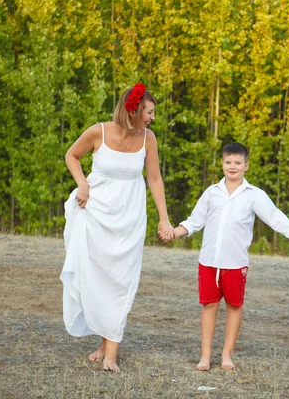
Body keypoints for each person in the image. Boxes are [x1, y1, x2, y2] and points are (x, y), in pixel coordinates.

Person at [60, 83, 174, 372]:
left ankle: (112, 351)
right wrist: (82, 184)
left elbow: (155, 179)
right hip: (96, 212)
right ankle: (104, 342)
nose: (152, 118)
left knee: (121, 279)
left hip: (130, 216)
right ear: (133, 110)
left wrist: (164, 218)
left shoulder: (149, 138)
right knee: (98, 277)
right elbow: (71, 155)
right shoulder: (98, 131)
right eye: (149, 112)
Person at [162, 143, 289, 371]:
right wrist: (174, 232)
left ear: (246, 165)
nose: (232, 166)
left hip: (235, 264)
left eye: (238, 163)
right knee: (209, 305)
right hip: (209, 262)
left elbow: (275, 218)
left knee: (234, 306)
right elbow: (195, 221)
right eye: (228, 162)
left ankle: (227, 354)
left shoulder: (254, 195)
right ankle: (206, 355)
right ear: (222, 164)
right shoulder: (211, 192)